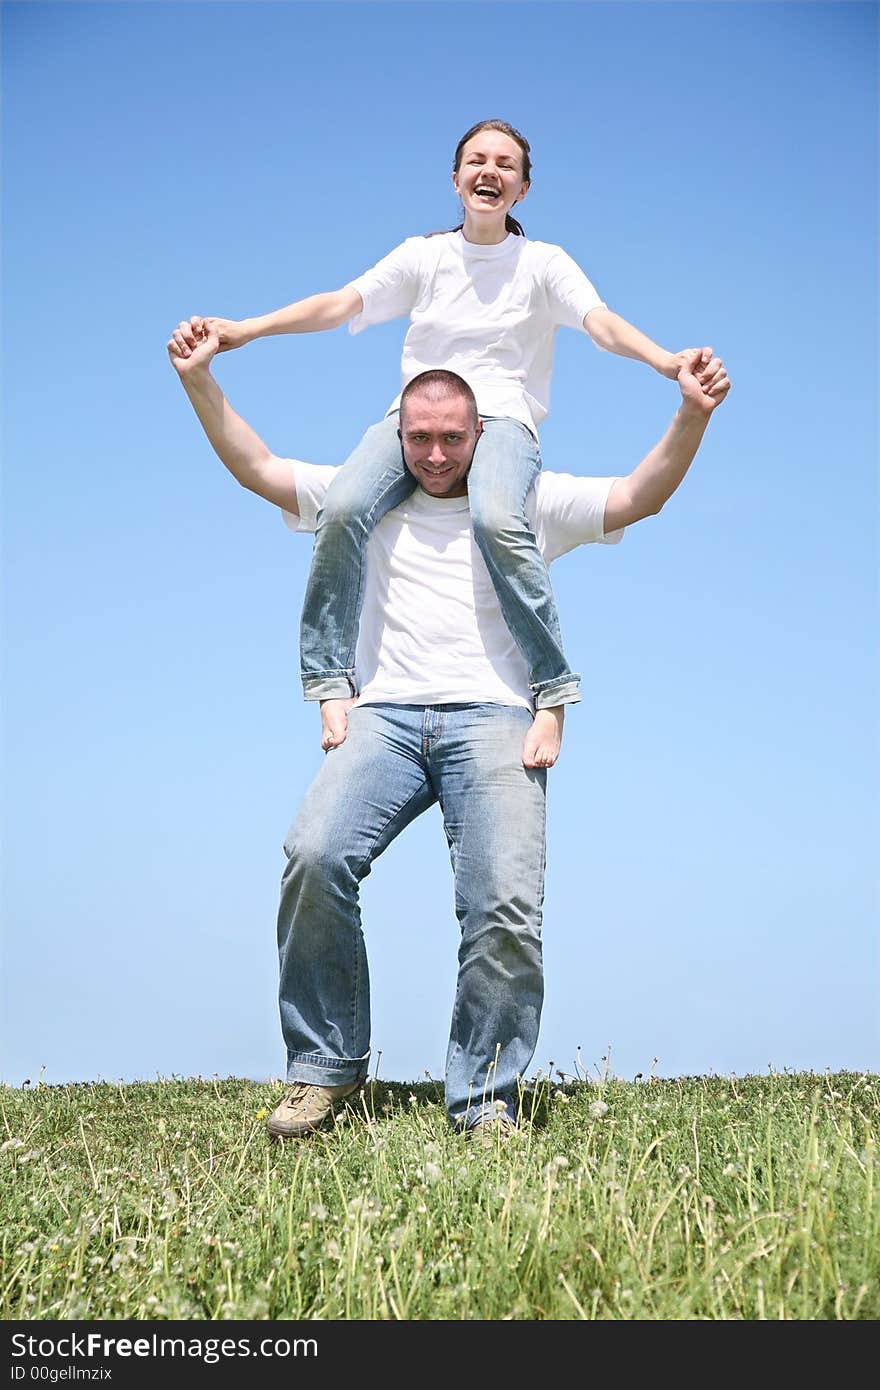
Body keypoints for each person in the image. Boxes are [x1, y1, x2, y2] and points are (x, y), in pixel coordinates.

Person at [167, 318, 729, 1143]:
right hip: (385, 717)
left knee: (503, 905)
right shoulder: (361, 504)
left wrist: (691, 414)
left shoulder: (526, 503)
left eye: (453, 439)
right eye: (420, 439)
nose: (436, 455)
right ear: (397, 438)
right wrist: (198, 382)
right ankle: (323, 1070)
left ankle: (484, 1099)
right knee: (315, 855)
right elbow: (256, 466)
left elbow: (636, 496)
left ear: (482, 436)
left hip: (497, 719)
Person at [170, 118, 709, 770]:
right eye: (476, 161)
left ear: (523, 189)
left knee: (496, 515)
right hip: (415, 417)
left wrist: (663, 361)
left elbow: (599, 324)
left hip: (503, 421)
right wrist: (245, 331)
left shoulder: (543, 264)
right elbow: (341, 304)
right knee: (342, 507)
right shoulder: (424, 256)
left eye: (505, 164)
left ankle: (551, 691)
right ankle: (331, 682)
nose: (490, 171)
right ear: (455, 180)